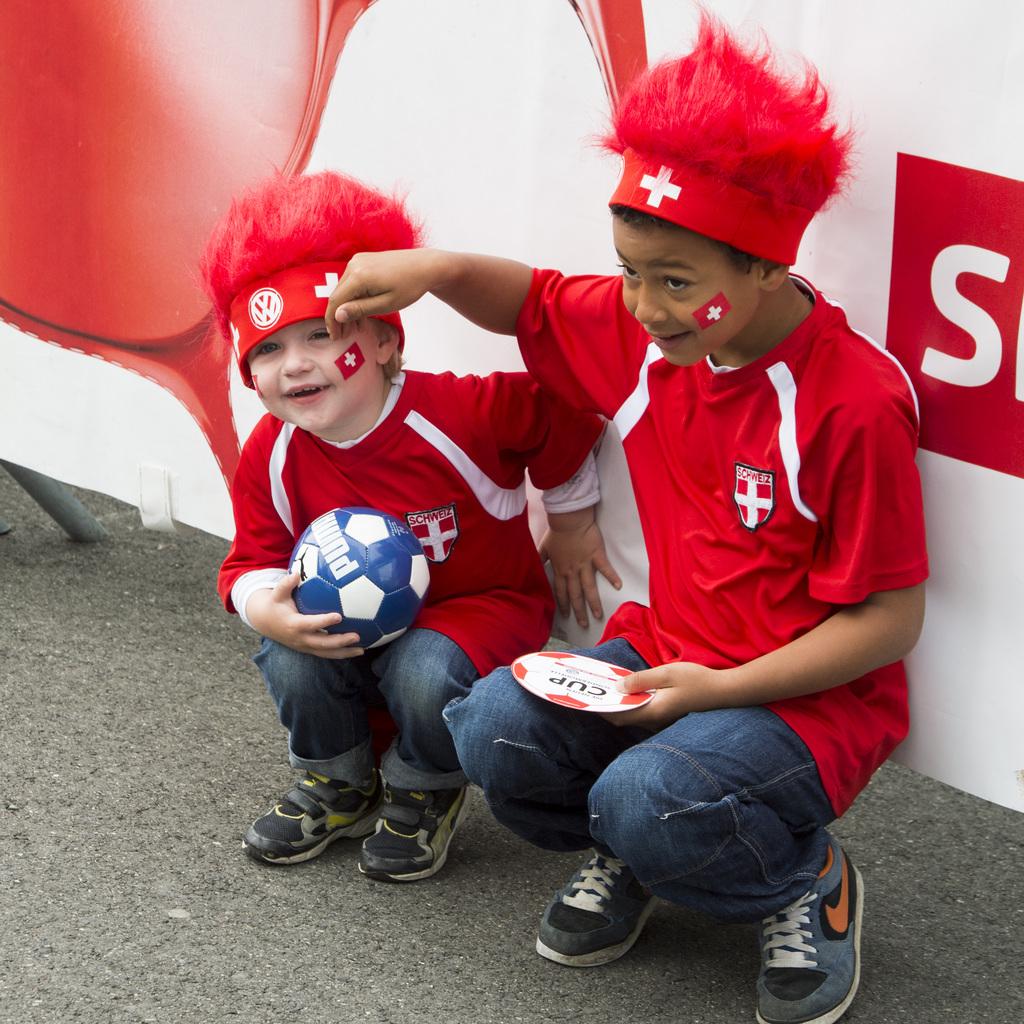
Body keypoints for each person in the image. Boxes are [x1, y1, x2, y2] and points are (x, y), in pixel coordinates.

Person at [323, 15, 928, 1023]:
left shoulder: (850, 403)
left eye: (675, 282)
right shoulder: (657, 337)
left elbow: (887, 623)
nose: (641, 304)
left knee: (651, 797)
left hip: (801, 701)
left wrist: (719, 689)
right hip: (665, 656)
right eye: (631, 269)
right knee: (493, 729)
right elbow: (529, 301)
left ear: (767, 270)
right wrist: (431, 270)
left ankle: (797, 879)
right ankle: (643, 842)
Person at [201, 170, 614, 882]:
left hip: (478, 610)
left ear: (386, 342)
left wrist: (571, 523)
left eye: (320, 334)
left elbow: (562, 415)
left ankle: (426, 789)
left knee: (425, 667)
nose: (294, 363)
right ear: (249, 375)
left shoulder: (459, 415)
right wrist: (263, 604)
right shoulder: (270, 454)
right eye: (266, 350)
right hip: (354, 630)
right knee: (287, 652)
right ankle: (338, 782)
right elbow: (250, 562)